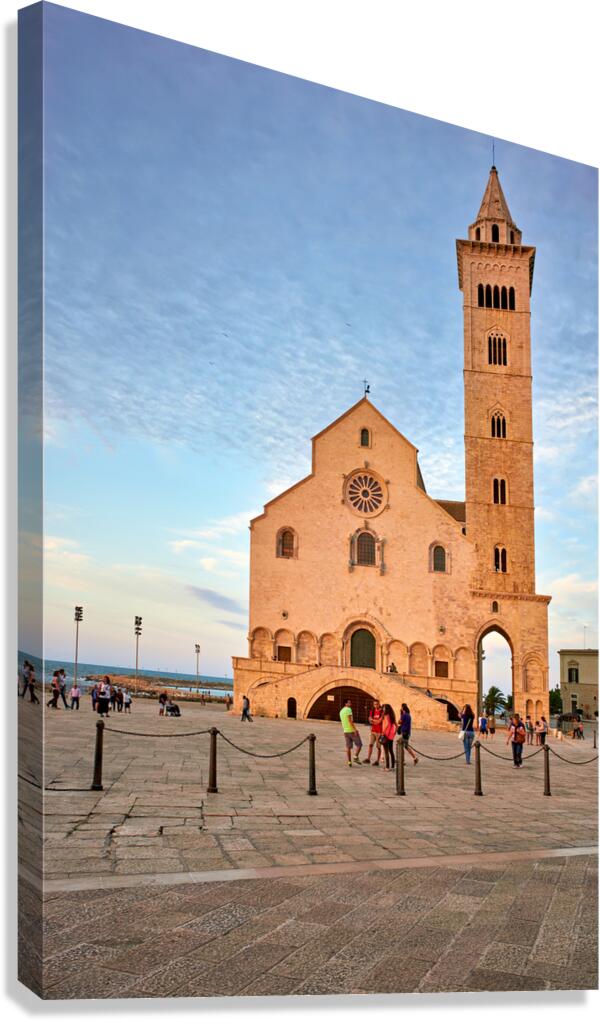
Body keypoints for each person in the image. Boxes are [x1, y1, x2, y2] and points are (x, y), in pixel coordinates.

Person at [339, 698, 362, 766]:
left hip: (345, 731)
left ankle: (349, 762)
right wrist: (355, 729)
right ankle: (355, 757)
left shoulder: (341, 711)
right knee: (359, 744)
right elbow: (350, 720)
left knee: (348, 747)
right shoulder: (348, 709)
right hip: (351, 730)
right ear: (345, 703)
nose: (350, 704)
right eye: (349, 703)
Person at [362, 700, 383, 765]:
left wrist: (373, 720)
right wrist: (374, 721)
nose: (375, 705)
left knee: (378, 747)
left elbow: (379, 721)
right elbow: (370, 719)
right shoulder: (372, 711)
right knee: (370, 745)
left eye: (377, 704)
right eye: (374, 704)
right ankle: (368, 759)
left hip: (380, 732)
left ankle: (377, 761)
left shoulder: (382, 712)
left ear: (379, 704)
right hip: (373, 731)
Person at [379, 704, 397, 770]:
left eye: (383, 708)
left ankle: (387, 767)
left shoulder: (386, 716)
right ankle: (392, 766)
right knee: (391, 751)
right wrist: (394, 733)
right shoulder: (392, 716)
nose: (383, 709)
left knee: (386, 751)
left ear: (386, 709)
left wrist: (383, 732)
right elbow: (396, 726)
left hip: (386, 735)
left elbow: (387, 724)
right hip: (391, 736)